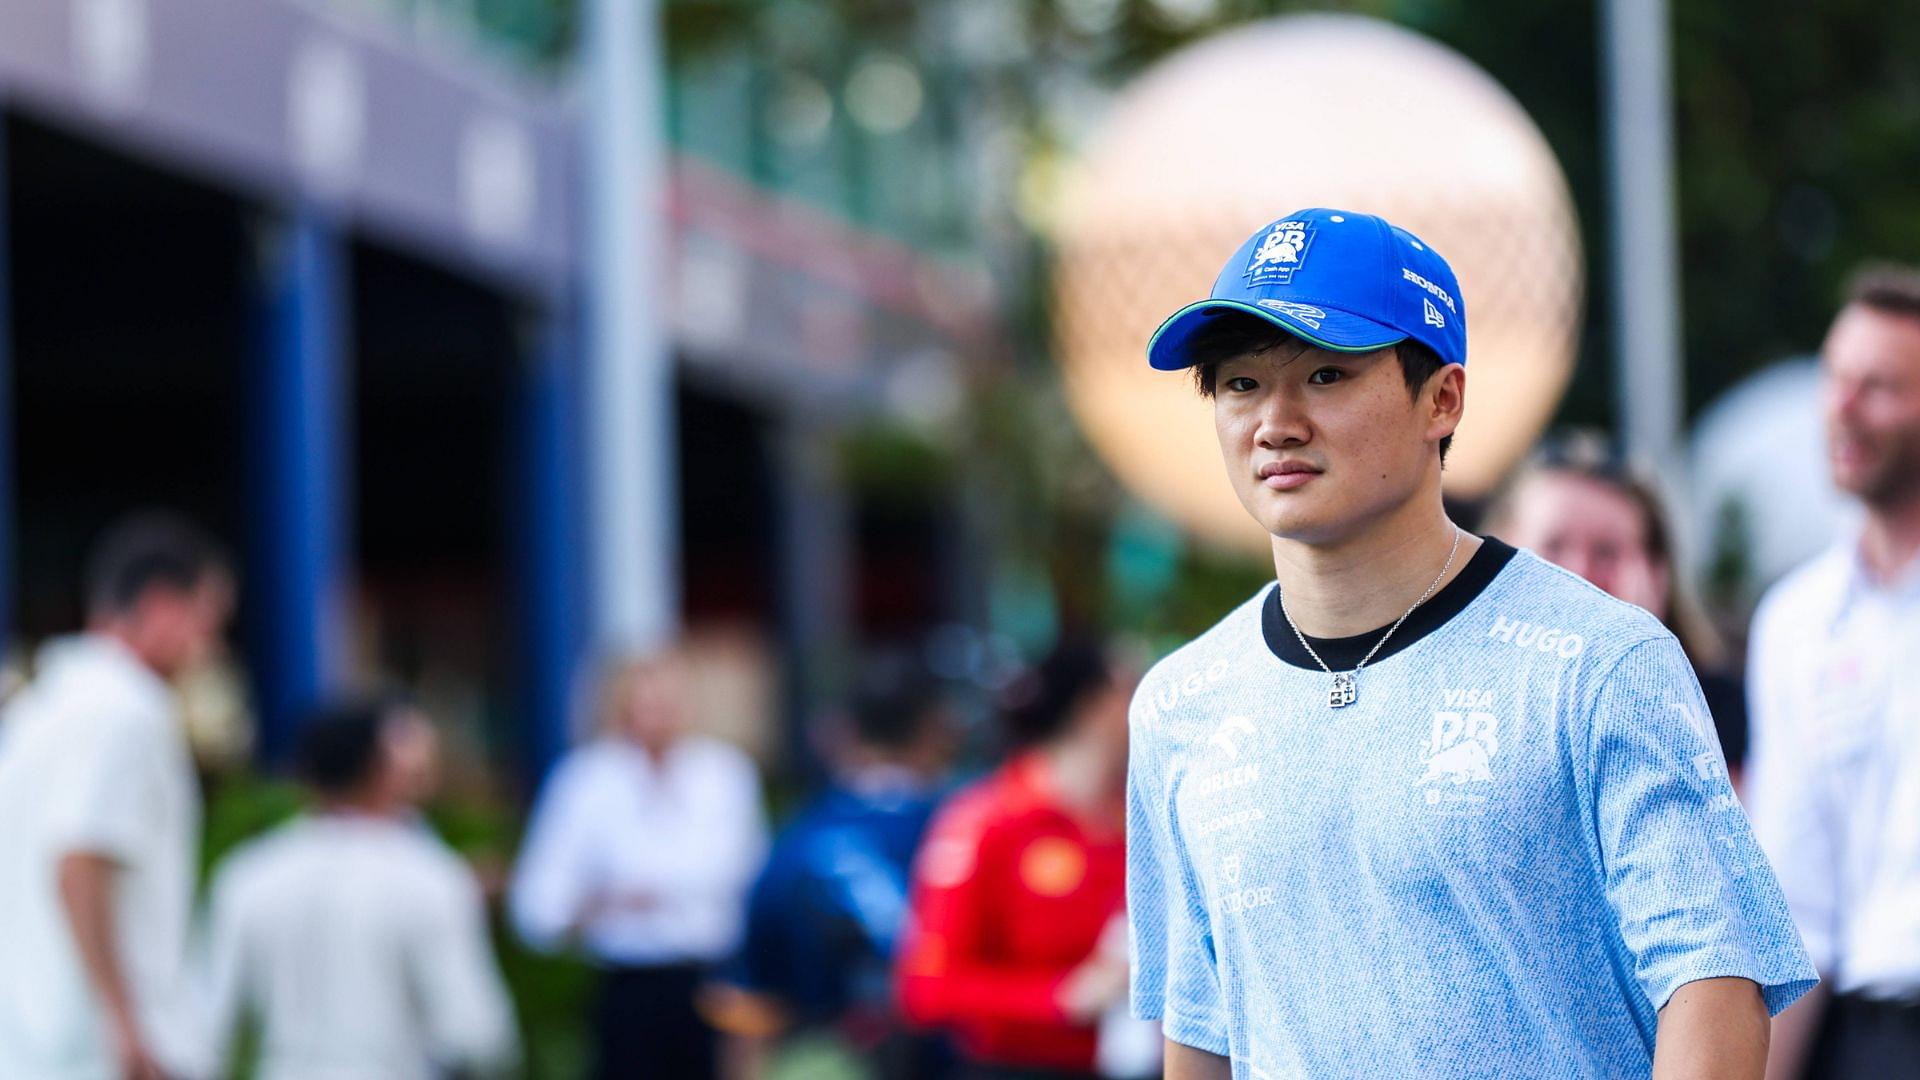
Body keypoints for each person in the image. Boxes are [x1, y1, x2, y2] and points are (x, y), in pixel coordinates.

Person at [1126, 208, 1815, 1079]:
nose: (1276, 422)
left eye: (1328, 375)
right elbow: (1202, 1031)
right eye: (1239, 384)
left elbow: (1716, 987)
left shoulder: (1601, 662)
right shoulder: (1181, 704)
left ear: (1442, 399)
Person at [1748, 265, 1920, 1079]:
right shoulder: (1795, 622)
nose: (1843, 408)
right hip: (1867, 1038)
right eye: (1835, 378)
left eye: (1878, 387)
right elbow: (1795, 902)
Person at [0, 512, 234, 1079]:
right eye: (209, 620)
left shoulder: (38, 708)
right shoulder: (126, 709)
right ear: (160, 606)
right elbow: (79, 860)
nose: (212, 646)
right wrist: (127, 1027)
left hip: (30, 1040)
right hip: (101, 1051)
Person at [200, 696, 519, 1078]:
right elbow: (477, 1034)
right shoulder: (428, 875)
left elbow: (205, 1022)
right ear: (381, 770)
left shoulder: (249, 873)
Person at [510, 649, 767, 1080]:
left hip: (712, 983)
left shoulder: (725, 775)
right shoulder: (585, 780)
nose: (658, 715)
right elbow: (538, 904)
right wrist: (599, 905)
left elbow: (752, 883)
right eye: (645, 702)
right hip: (628, 988)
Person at [702, 651, 958, 1079]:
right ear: (936, 731)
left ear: (846, 732)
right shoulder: (973, 830)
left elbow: (751, 1008)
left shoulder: (797, 842)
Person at [895, 641, 1135, 1078]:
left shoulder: (1141, 817)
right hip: (1015, 1066)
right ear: (1094, 707)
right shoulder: (988, 820)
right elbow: (926, 986)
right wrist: (1059, 998)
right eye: (1131, 690)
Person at [1486, 431, 1752, 784]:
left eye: (1606, 552)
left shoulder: (1712, 708)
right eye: (1554, 545)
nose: (1578, 573)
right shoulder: (1465, 698)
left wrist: (1636, 662)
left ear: (1657, 573)